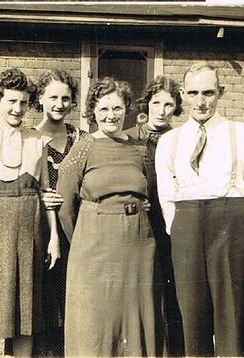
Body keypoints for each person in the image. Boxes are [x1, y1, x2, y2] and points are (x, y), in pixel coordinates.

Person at [155, 63, 244, 356]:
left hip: (232, 223)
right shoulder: (169, 141)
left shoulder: (243, 134)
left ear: (221, 93)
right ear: (183, 95)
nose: (200, 101)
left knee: (232, 313)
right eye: (193, 93)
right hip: (187, 225)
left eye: (208, 92)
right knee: (192, 312)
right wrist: (179, 229)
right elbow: (166, 196)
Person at [57, 77, 166, 357]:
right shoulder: (84, 147)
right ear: (93, 111)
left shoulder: (140, 149)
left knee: (135, 313)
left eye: (117, 108)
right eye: (103, 109)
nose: (110, 115)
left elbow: (151, 194)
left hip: (138, 245)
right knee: (97, 319)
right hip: (95, 246)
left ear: (127, 108)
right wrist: (84, 238)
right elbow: (65, 203)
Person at [0, 68, 60, 357]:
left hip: (31, 234)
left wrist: (54, 236)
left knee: (27, 315)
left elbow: (46, 193)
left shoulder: (38, 141)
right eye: (11, 101)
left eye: (23, 102)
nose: (17, 108)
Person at [125, 75, 184, 356]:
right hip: (139, 221)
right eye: (156, 102)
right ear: (146, 103)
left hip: (171, 223)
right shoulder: (129, 139)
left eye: (169, 104)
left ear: (176, 107)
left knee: (173, 291)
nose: (161, 110)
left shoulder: (182, 140)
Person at [32, 69, 87, 357]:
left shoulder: (82, 139)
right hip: (41, 231)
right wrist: (40, 197)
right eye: (52, 96)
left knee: (72, 301)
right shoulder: (29, 139)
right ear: (40, 98)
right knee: (44, 303)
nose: (59, 103)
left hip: (76, 230)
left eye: (66, 98)